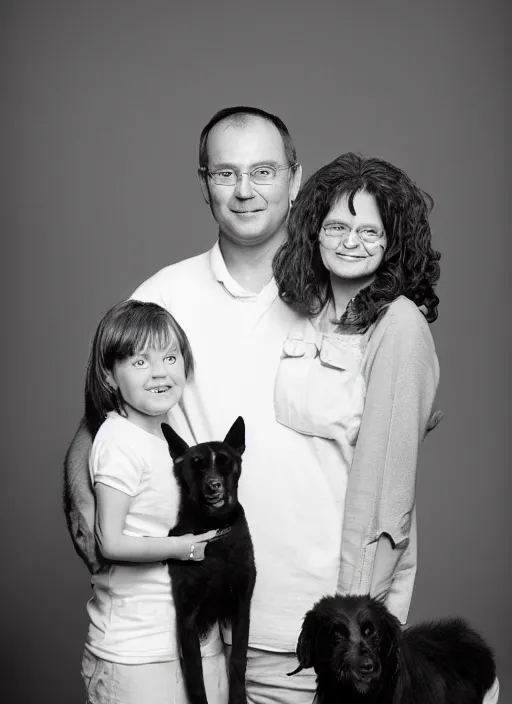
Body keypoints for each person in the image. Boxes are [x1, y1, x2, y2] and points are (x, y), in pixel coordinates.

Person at [65, 107, 499, 704]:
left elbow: (389, 482)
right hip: (200, 634)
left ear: (296, 181)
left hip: (317, 641)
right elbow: (100, 424)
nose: (245, 191)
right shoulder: (162, 297)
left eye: (264, 171)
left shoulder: (353, 303)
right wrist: (91, 517)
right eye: (226, 174)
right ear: (203, 183)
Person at [80, 299, 227, 704]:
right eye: (140, 362)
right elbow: (110, 540)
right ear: (110, 376)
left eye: (170, 356)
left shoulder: (171, 437)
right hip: (137, 652)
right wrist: (186, 548)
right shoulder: (119, 440)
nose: (161, 371)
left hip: (194, 642)